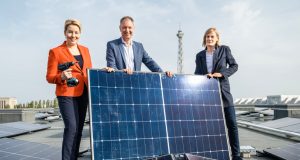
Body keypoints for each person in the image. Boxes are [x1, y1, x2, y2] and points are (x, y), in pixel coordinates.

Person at [46, 19, 92, 160]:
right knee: (71, 128)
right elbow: (49, 77)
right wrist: (62, 76)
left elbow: (87, 71)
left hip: (83, 93)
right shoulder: (56, 51)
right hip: (66, 94)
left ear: (80, 33)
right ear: (65, 33)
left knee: (78, 130)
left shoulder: (85, 50)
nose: (73, 35)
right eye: (70, 32)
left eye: (76, 32)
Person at [194, 27, 242, 160]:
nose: (209, 39)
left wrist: (221, 74)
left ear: (216, 39)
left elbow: (234, 66)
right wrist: (204, 77)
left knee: (232, 124)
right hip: (208, 95)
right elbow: (197, 74)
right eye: (207, 37)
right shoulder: (199, 56)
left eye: (212, 36)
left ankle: (236, 155)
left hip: (223, 93)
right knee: (211, 126)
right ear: (205, 39)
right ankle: (212, 153)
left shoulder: (224, 50)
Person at [105, 16, 172, 76]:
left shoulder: (139, 47)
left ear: (133, 28)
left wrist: (163, 74)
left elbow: (150, 62)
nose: (127, 30)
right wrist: (121, 73)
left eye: (129, 27)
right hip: (119, 83)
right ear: (120, 28)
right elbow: (111, 66)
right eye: (124, 27)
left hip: (135, 84)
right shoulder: (112, 45)